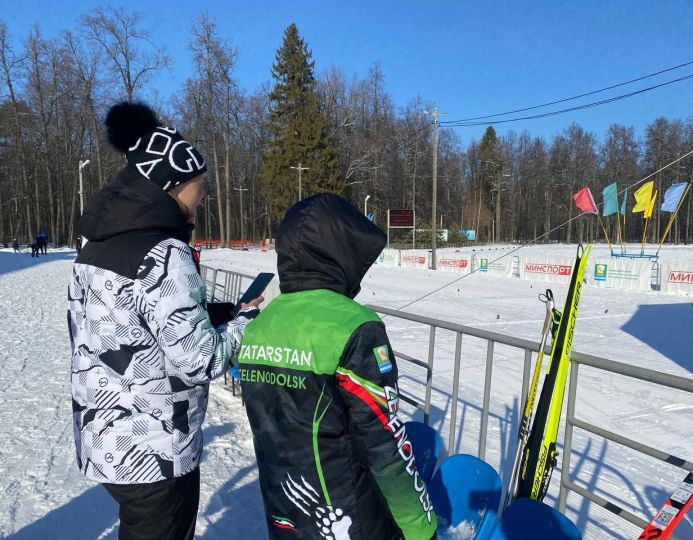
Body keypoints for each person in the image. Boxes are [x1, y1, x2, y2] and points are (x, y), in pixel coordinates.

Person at [67, 101, 259, 540]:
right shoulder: (164, 252)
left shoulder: (95, 244)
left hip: (105, 435)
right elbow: (201, 362)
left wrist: (215, 314)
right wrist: (248, 323)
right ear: (171, 187)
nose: (204, 195)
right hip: (153, 445)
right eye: (199, 185)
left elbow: (125, 321)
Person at [233, 193, 437, 540]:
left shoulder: (259, 325)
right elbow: (384, 443)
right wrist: (422, 528)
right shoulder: (354, 327)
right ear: (342, 254)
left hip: (284, 508)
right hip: (349, 516)